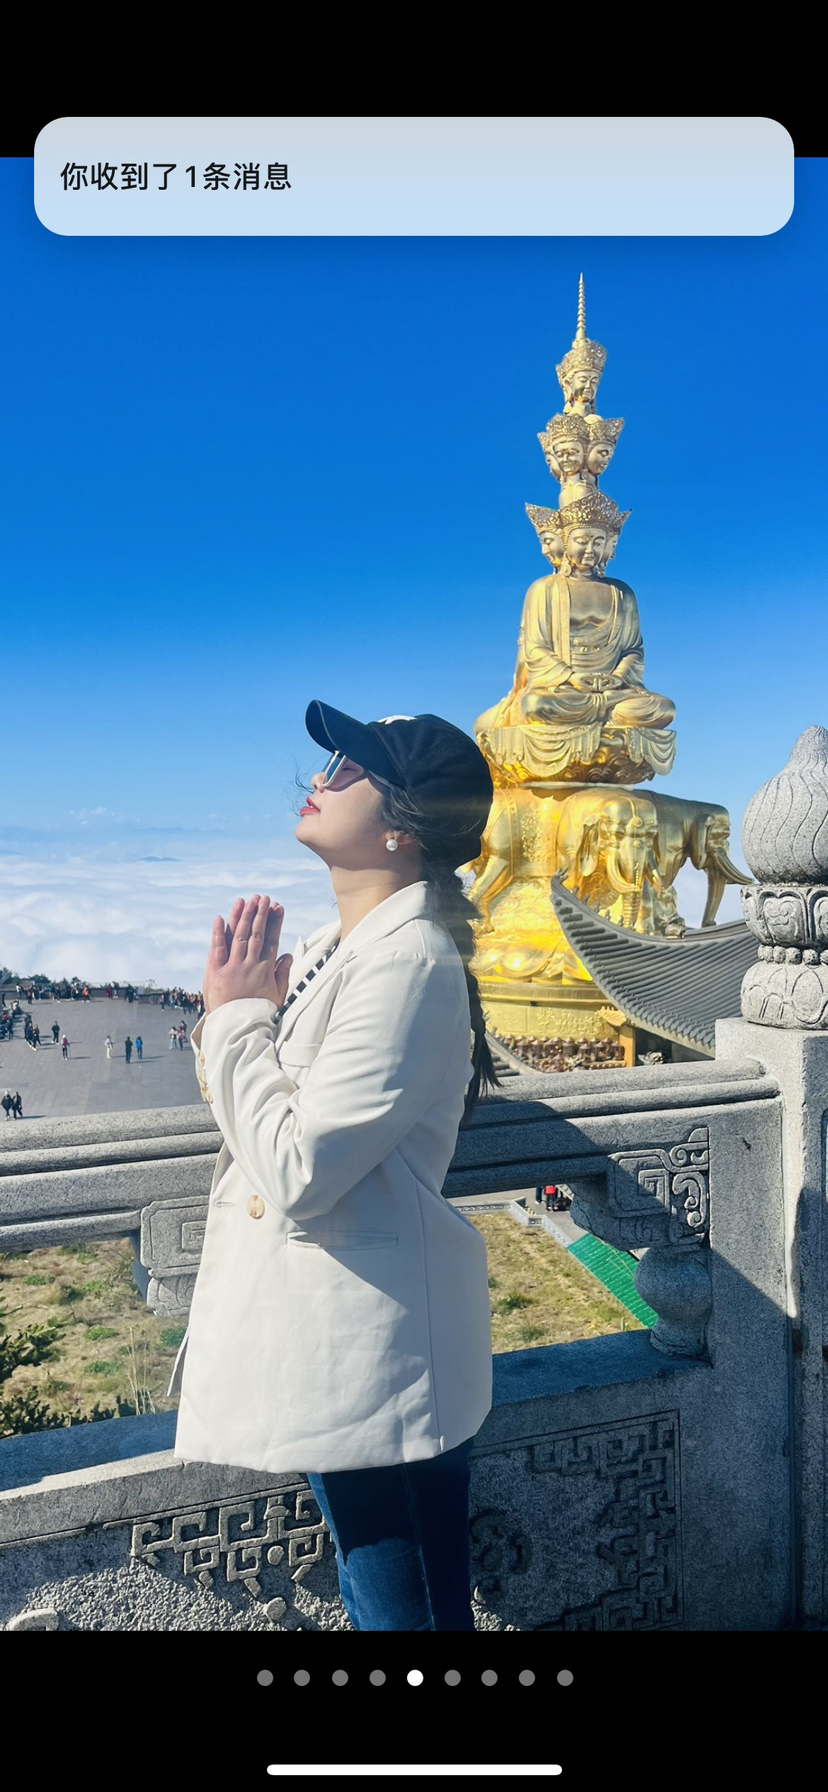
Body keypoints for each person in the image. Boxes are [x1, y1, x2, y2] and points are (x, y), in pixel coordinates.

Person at [167, 701, 498, 1633]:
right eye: (328, 764)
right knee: (379, 1592)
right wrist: (236, 1019)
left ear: (403, 827)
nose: (321, 778)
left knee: (407, 1615)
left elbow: (299, 1167)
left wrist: (235, 1019)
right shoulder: (333, 949)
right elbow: (251, 1113)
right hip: (331, 1331)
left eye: (351, 767)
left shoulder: (411, 961)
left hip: (377, 1347)